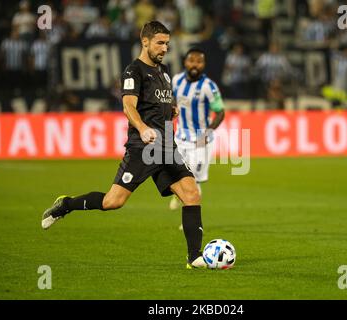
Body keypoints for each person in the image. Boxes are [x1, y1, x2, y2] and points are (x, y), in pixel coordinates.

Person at [41, 21, 207, 269]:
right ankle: (66, 204)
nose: (164, 48)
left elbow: (159, 105)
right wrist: (142, 128)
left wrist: (170, 110)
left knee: (191, 194)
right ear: (145, 42)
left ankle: (194, 257)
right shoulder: (134, 71)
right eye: (160, 43)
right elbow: (128, 106)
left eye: (167, 44)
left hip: (166, 147)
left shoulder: (164, 73)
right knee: (113, 202)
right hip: (143, 148)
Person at [169, 48, 225, 218]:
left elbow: (220, 112)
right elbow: (171, 100)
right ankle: (177, 195)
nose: (195, 64)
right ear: (185, 62)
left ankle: (190, 219)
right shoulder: (176, 80)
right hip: (180, 138)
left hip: (200, 140)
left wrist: (207, 133)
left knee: (194, 180)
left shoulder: (209, 87)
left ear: (204, 64)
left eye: (199, 61)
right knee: (176, 174)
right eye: (191, 60)